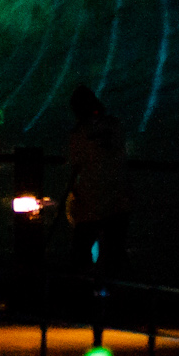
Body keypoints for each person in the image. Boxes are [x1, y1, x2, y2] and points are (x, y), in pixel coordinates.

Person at [65, 86, 132, 273]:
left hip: (90, 201)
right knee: (114, 252)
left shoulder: (79, 133)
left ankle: (83, 286)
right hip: (118, 199)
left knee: (80, 252)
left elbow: (75, 165)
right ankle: (115, 286)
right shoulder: (114, 125)